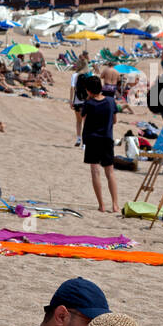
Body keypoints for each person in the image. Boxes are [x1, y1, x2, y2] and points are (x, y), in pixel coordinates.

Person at [81, 75, 120, 214]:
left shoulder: (89, 103)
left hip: (92, 139)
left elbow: (83, 117)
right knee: (110, 172)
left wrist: (88, 99)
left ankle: (102, 205)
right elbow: (115, 120)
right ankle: (115, 205)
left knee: (95, 171)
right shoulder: (110, 101)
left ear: (89, 90)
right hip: (107, 138)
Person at [70, 57, 90, 147]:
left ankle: (78, 138)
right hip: (86, 101)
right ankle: (85, 143)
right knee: (86, 122)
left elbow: (72, 88)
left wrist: (71, 100)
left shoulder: (75, 75)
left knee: (78, 121)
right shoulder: (88, 75)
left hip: (77, 100)